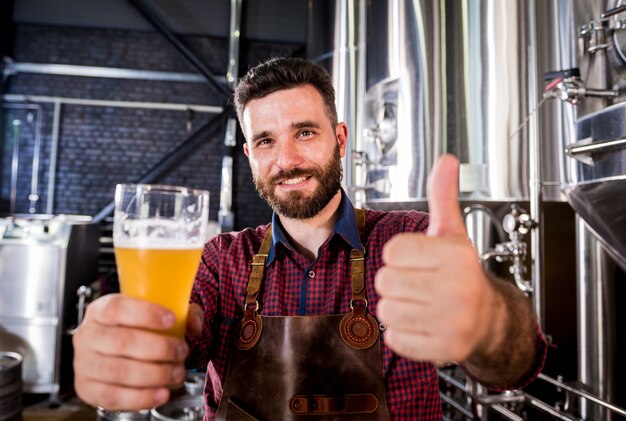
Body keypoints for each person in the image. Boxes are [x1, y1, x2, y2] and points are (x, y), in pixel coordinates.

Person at [73, 57, 547, 420]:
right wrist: (124, 345)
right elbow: (181, 332)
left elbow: (519, 364)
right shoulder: (222, 259)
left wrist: (491, 324)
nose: (287, 159)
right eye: (266, 141)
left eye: (304, 132)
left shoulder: (409, 239)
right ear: (249, 154)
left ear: (340, 138)